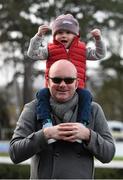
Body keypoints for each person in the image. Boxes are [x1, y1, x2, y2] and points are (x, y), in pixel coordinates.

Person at [9, 60, 115, 179]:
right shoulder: (32, 109)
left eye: (69, 80)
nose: (62, 85)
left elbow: (109, 154)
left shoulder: (93, 110)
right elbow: (14, 153)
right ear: (48, 82)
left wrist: (88, 135)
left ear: (76, 83)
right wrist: (45, 135)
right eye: (57, 80)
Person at [27, 14, 106, 138]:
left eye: (68, 32)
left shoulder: (82, 49)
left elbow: (99, 54)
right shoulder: (50, 49)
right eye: (59, 32)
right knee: (42, 95)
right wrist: (38, 36)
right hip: (54, 87)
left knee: (86, 96)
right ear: (54, 35)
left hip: (77, 87)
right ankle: (46, 122)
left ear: (75, 35)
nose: (63, 35)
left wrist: (98, 39)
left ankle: (82, 124)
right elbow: (33, 54)